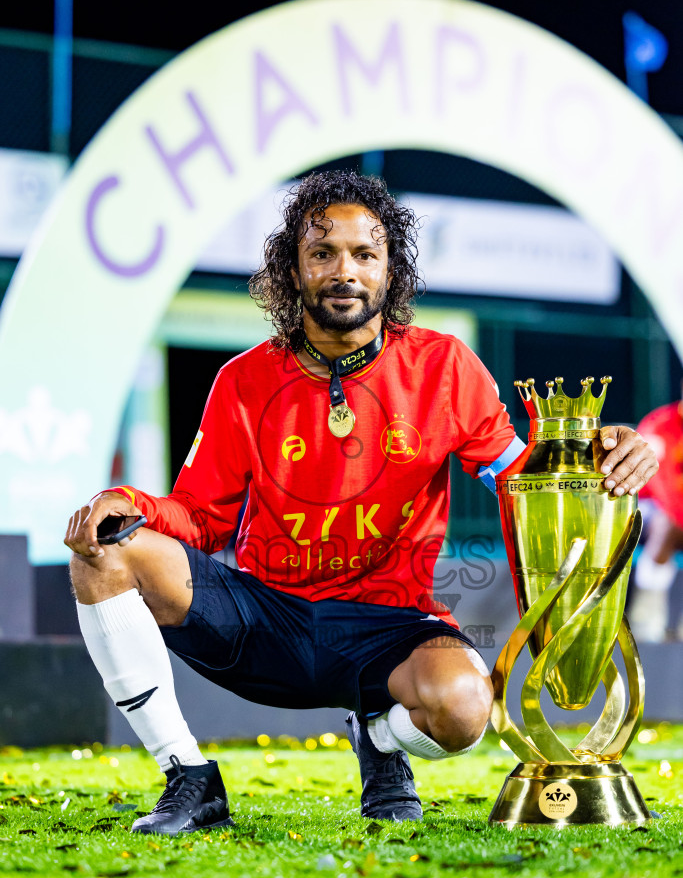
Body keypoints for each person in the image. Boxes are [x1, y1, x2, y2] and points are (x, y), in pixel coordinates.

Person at [64, 171, 658, 835]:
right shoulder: (243, 380)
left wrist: (590, 458)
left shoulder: (443, 368)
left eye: (363, 254)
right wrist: (123, 502)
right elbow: (200, 516)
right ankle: (188, 778)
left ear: (388, 271)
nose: (343, 270)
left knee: (462, 710)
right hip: (265, 620)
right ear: (292, 270)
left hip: (389, 628)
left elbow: (520, 479)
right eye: (322, 253)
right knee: (103, 550)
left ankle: (379, 739)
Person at [628, 393, 683, 642]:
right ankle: (646, 615)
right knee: (667, 522)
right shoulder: (660, 426)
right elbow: (666, 491)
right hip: (645, 507)